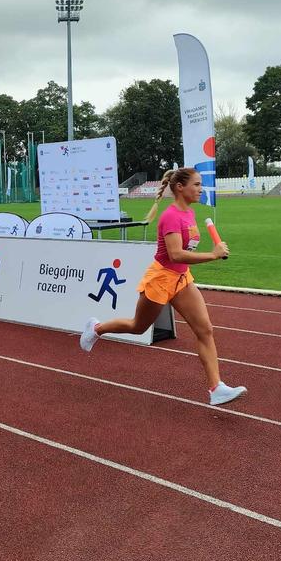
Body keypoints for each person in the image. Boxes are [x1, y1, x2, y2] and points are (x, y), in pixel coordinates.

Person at [79, 167, 247, 407]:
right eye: (197, 185)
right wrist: (213, 255)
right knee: (138, 327)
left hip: (180, 279)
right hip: (160, 279)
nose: (201, 189)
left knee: (205, 330)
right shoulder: (171, 216)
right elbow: (176, 254)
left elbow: (182, 258)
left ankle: (215, 388)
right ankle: (96, 328)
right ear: (180, 187)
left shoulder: (188, 213)